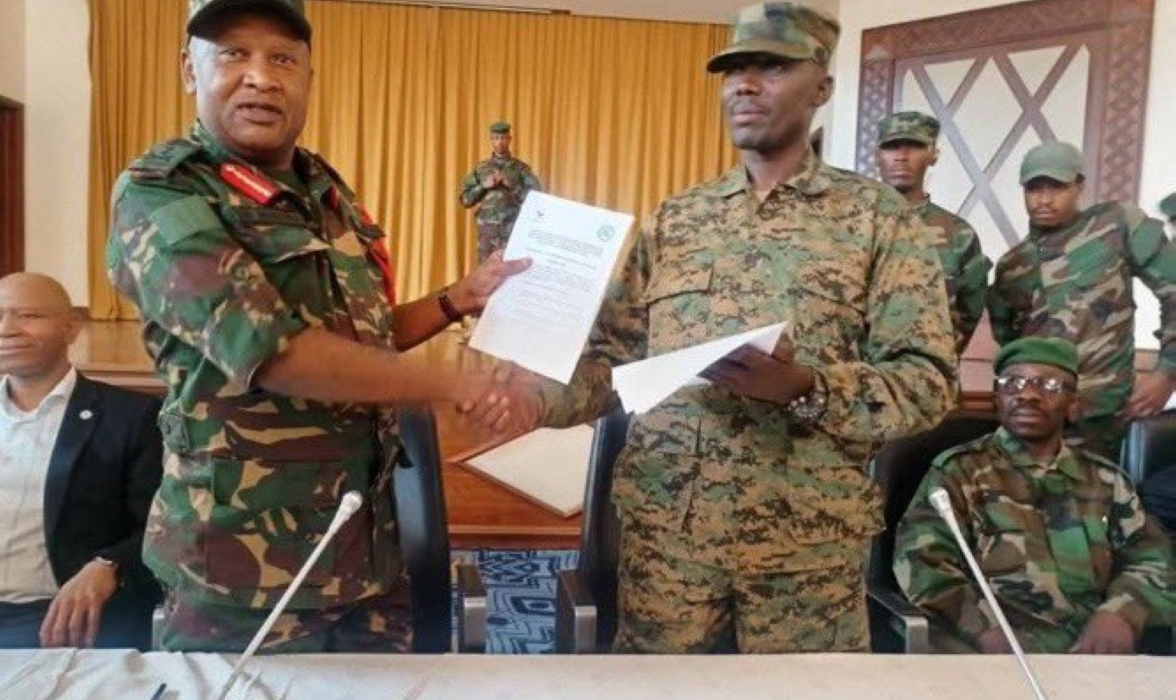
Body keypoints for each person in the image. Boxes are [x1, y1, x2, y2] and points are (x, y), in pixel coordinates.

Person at [493, 1, 958, 653]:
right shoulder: (677, 219)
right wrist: (536, 399)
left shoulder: (878, 220)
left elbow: (927, 383)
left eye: (772, 67)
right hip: (670, 541)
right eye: (734, 70)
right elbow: (614, 364)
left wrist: (805, 387)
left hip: (806, 551)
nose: (744, 85)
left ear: (821, 87)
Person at [106, 0, 528, 653]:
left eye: (282, 58)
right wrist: (455, 385)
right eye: (233, 55)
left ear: (307, 77)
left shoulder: (324, 188)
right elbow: (274, 352)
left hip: (365, 551)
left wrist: (456, 299)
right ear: (189, 71)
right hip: (246, 571)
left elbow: (363, 338)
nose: (261, 77)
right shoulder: (164, 192)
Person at [894, 337, 1175, 654]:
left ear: (1072, 403)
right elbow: (923, 562)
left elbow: (1152, 558)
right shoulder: (958, 473)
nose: (1027, 395)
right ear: (997, 397)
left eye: (1049, 385)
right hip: (988, 651)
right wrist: (984, 628)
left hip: (1092, 651)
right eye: (1012, 383)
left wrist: (1122, 614)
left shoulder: (1107, 481)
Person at [0, 273, 162, 650]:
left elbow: (163, 526)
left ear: (71, 327)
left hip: (48, 618)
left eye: (28, 315)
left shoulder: (130, 417)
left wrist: (108, 565)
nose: (6, 330)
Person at [987, 141, 1176, 460]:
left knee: (1098, 491)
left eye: (1057, 187)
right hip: (1034, 416)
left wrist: (1167, 371)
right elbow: (1010, 344)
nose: (1044, 199)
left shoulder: (1116, 224)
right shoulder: (1012, 265)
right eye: (1034, 188)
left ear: (1079, 186)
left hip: (1102, 414)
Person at [875, 110, 990, 354]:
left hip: (931, 368)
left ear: (933, 155)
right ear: (877, 155)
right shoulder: (851, 227)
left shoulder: (958, 234)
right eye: (891, 147)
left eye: (915, 147)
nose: (902, 157)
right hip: (860, 372)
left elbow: (969, 312)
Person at [459, 121, 543, 263]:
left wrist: (512, 186)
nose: (499, 142)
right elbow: (465, 200)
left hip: (512, 230)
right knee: (486, 271)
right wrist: (483, 186)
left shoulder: (520, 168)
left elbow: (537, 199)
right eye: (496, 138)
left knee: (511, 270)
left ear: (509, 139)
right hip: (487, 232)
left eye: (503, 138)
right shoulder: (481, 168)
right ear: (491, 140)